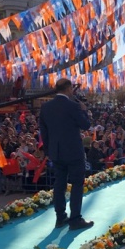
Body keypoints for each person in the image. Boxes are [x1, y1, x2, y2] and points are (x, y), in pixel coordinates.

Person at [39, 78, 94, 230]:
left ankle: (60, 217)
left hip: (56, 152)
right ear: (69, 88)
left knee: (59, 184)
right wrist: (84, 110)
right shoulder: (73, 106)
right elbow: (86, 125)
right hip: (74, 152)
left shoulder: (46, 107)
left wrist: (48, 151)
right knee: (77, 184)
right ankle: (75, 219)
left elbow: (44, 132)